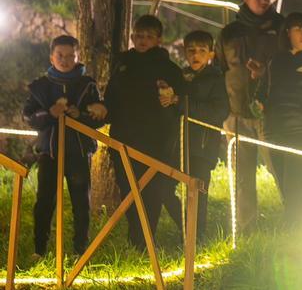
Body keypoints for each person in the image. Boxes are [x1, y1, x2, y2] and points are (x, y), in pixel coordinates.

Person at [105, 15, 185, 249]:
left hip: (157, 141)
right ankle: (136, 241)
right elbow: (112, 99)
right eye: (139, 36)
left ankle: (148, 240)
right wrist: (101, 109)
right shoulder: (122, 65)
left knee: (152, 192)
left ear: (159, 40)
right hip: (123, 139)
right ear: (132, 37)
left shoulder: (169, 69)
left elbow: (181, 103)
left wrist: (174, 99)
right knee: (128, 190)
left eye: (149, 37)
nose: (143, 41)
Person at [23, 34, 106, 257]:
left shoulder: (87, 85)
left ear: (78, 57)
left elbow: (98, 117)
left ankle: (81, 250)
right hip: (49, 153)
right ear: (52, 57)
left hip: (78, 153)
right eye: (60, 55)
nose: (65, 60)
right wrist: (50, 113)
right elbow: (29, 117)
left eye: (71, 56)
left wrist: (82, 115)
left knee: (81, 202)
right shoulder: (40, 87)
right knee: (45, 202)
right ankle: (40, 249)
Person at [217, 0, 286, 232]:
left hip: (271, 112)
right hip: (236, 113)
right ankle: (246, 230)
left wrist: (265, 72)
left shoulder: (280, 27)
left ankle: (296, 219)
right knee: (242, 177)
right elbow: (220, 67)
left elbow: (288, 63)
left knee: (279, 167)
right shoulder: (229, 32)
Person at [254, 12, 302, 227]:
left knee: (296, 190)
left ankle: (294, 236)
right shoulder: (275, 60)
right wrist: (258, 103)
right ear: (288, 32)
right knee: (285, 189)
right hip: (274, 131)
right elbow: (263, 91)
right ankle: (300, 229)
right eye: (299, 29)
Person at [180, 30, 228, 240]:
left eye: (201, 51)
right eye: (191, 51)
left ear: (211, 54)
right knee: (175, 188)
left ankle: (196, 236)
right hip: (180, 143)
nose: (196, 55)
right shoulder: (181, 77)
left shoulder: (216, 79)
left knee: (198, 192)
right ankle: (183, 229)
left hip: (203, 145)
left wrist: (184, 104)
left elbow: (218, 111)